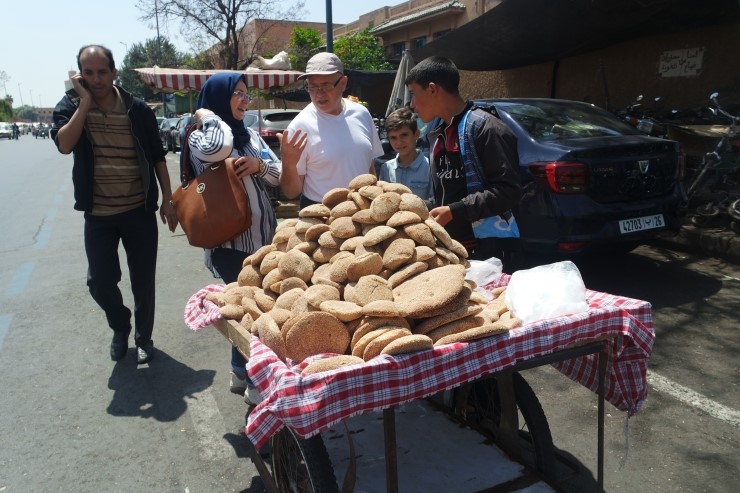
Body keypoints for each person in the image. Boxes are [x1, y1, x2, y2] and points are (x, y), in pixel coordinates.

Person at [51, 45, 177, 364]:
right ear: (80, 75)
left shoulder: (137, 109)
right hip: (99, 216)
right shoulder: (71, 105)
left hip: (139, 211)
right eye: (88, 73)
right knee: (100, 282)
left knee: (143, 281)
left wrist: (168, 199)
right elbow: (64, 145)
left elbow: (158, 156)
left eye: (102, 72)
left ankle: (144, 338)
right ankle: (120, 326)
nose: (96, 79)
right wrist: (84, 102)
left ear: (114, 73)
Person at [186, 72, 281, 404]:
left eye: (246, 94)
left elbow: (278, 173)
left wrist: (259, 166)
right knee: (253, 314)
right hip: (229, 244)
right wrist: (208, 116)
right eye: (237, 93)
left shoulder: (251, 134)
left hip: (263, 242)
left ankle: (239, 371)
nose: (245, 100)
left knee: (244, 310)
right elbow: (220, 147)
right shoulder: (201, 137)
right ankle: (257, 386)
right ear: (217, 99)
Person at [405, 56, 524, 273]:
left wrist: (456, 211)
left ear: (432, 89)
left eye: (413, 93)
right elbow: (448, 193)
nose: (411, 104)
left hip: (489, 251)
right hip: (451, 249)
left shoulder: (487, 128)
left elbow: (508, 191)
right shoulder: (437, 134)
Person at [280, 52, 384, 208]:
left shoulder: (362, 114)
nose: (319, 93)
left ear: (343, 83)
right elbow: (291, 192)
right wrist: (288, 166)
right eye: (312, 87)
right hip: (321, 214)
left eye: (326, 86)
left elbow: (369, 166)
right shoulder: (299, 128)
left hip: (362, 210)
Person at [380, 106, 434, 205]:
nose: (399, 142)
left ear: (416, 134)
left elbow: (434, 203)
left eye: (404, 135)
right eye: (393, 137)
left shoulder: (430, 167)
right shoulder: (386, 168)